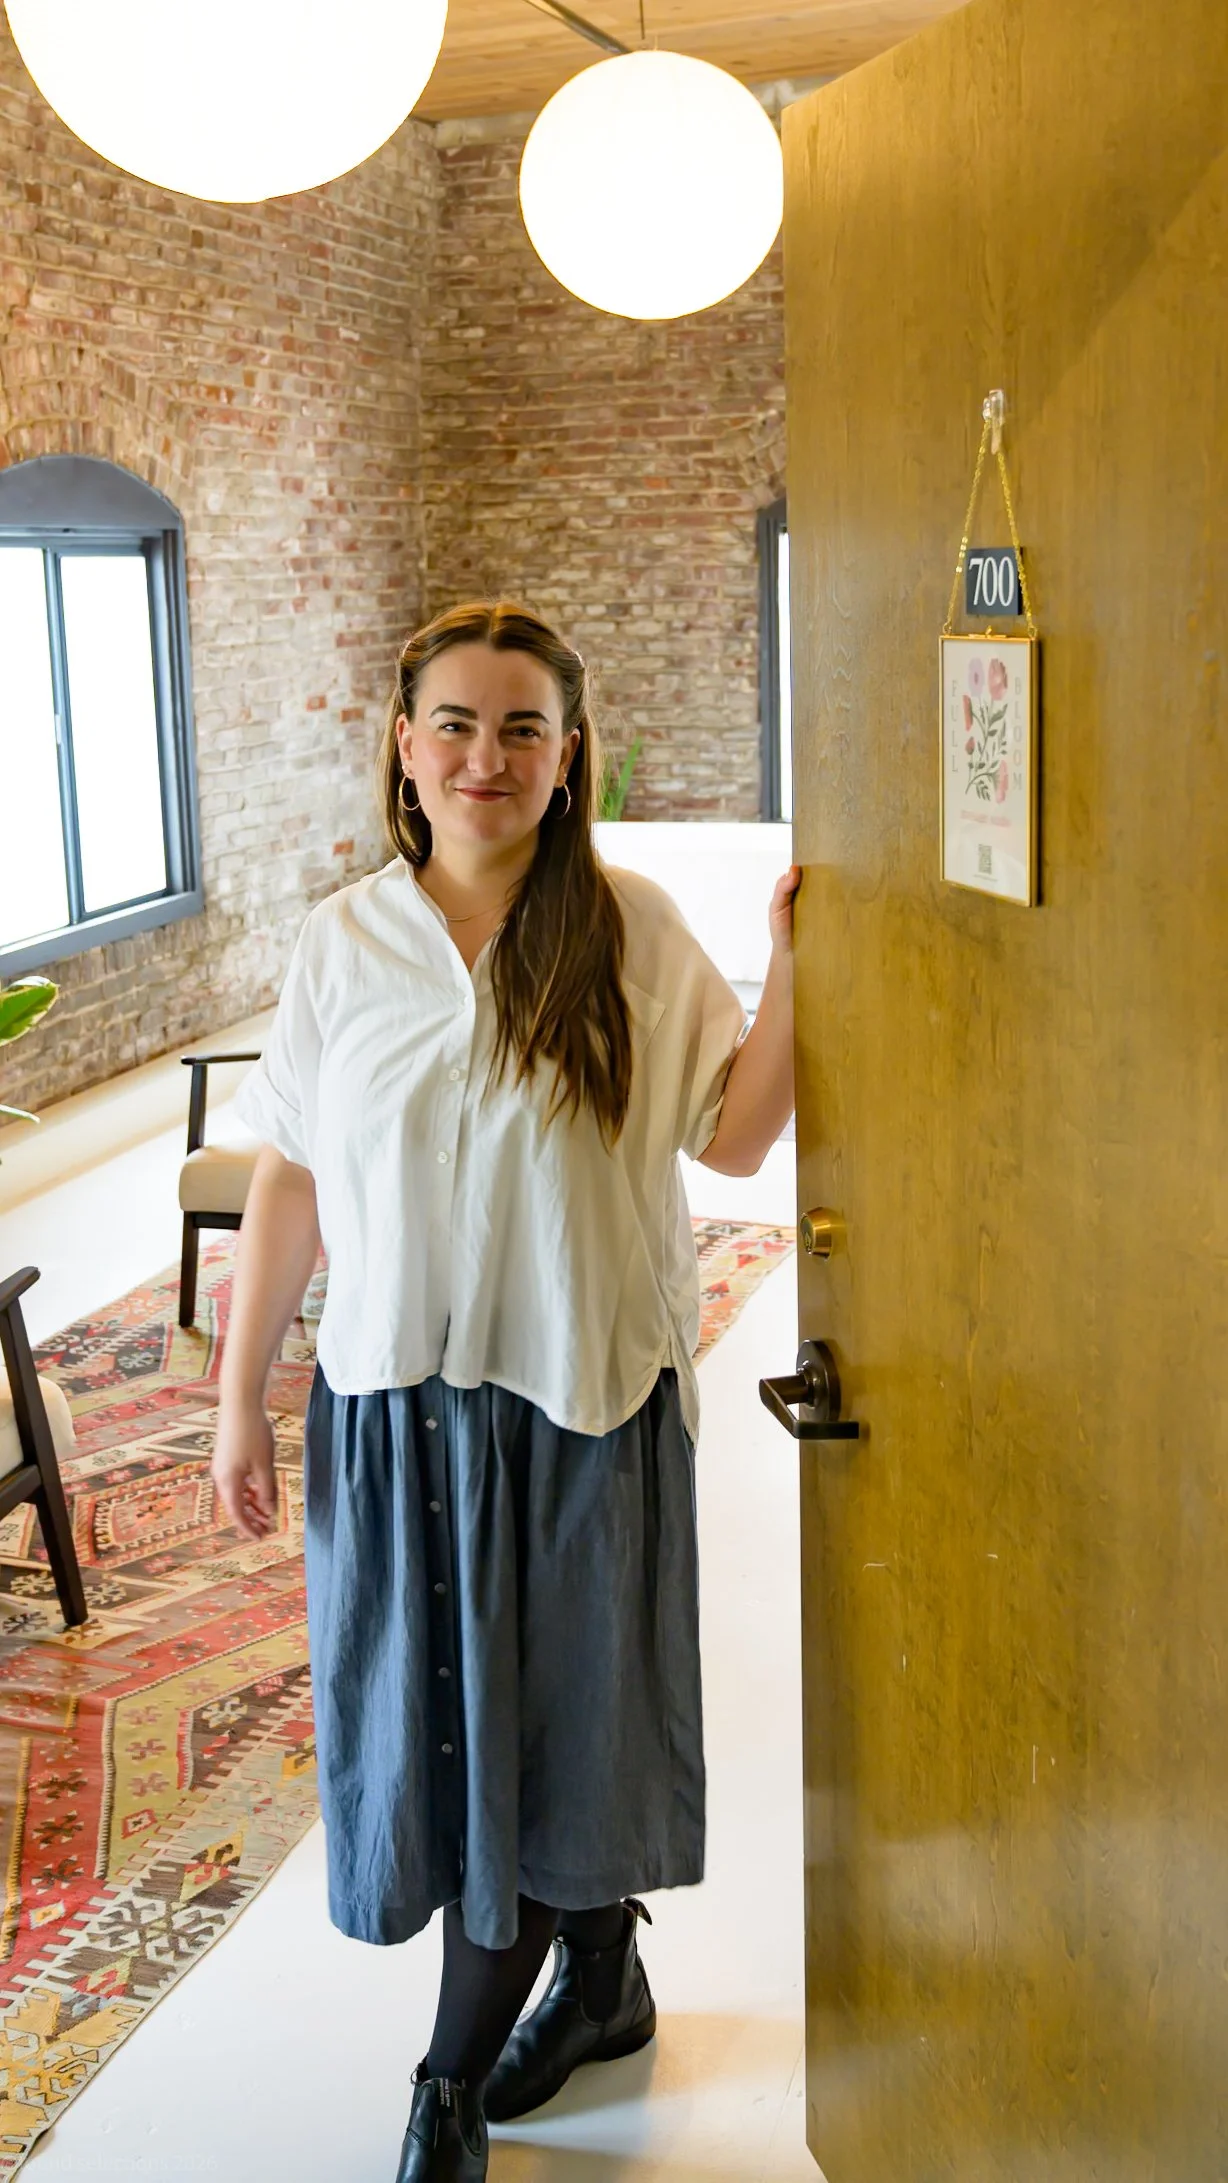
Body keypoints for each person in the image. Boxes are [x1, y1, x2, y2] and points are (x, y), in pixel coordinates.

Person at [211, 599, 800, 2182]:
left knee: (550, 1743)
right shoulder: (344, 943)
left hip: (581, 1406)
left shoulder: (631, 929)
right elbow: (291, 1176)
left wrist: (804, 970)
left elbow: (734, 1138)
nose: (486, 755)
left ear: (567, 754)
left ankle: (445, 2083)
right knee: (456, 1741)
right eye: (455, 724)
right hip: (397, 1412)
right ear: (404, 749)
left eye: (522, 727)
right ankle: (599, 1975)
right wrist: (239, 1392)